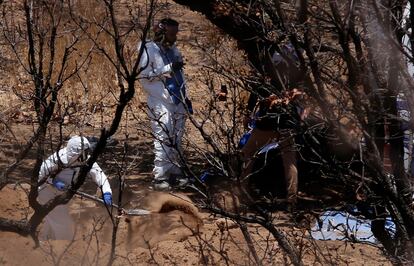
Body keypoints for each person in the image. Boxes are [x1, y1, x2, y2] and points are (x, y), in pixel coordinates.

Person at [241, 42, 307, 208]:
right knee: (290, 162)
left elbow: (255, 94)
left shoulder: (267, 73)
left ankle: (242, 191)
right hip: (288, 123)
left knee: (248, 152)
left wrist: (248, 114)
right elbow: (302, 98)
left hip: (267, 122)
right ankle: (292, 199)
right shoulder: (296, 75)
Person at [138, 18, 192, 191]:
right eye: (172, 33)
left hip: (177, 98)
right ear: (162, 32)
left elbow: (180, 75)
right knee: (163, 136)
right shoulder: (148, 49)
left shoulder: (173, 50)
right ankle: (160, 176)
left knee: (176, 137)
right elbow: (144, 76)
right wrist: (167, 68)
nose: (175, 36)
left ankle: (175, 171)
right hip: (160, 99)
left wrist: (186, 97)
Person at [37, 135, 112, 240]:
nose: (87, 155)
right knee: (63, 224)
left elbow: (99, 175)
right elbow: (40, 175)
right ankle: (62, 246)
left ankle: (43, 242)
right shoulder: (58, 159)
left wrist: (106, 192)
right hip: (46, 193)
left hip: (62, 195)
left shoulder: (86, 159)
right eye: (84, 152)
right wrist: (53, 181)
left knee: (53, 220)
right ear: (76, 152)